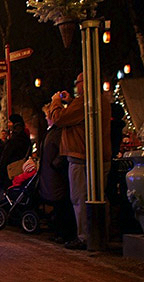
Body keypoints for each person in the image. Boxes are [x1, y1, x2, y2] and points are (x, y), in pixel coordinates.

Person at [50, 73, 111, 250]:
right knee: (99, 196)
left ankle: (85, 237)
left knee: (80, 197)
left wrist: (56, 102)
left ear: (86, 83)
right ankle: (100, 236)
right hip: (98, 156)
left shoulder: (85, 101)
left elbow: (60, 119)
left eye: (78, 83)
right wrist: (70, 103)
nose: (77, 87)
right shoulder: (100, 100)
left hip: (81, 157)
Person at [39, 103, 76, 244]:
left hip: (56, 173)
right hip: (51, 172)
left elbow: (62, 150)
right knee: (58, 204)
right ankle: (60, 231)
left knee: (62, 203)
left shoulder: (58, 131)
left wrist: (55, 164)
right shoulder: (52, 131)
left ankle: (65, 233)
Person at [0, 114, 32, 191]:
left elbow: (6, 155)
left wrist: (0, 172)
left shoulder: (15, 138)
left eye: (10, 122)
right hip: (20, 168)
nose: (8, 124)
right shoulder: (24, 136)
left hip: (11, 171)